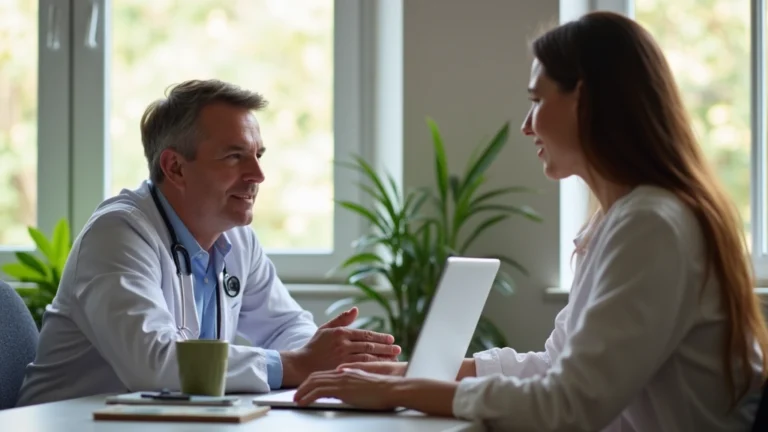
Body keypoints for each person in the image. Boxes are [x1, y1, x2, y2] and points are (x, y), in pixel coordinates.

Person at [292, 11, 768, 431]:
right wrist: (411, 375)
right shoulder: (622, 220)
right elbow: (554, 365)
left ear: (584, 99)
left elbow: (567, 405)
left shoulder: (652, 225)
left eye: (537, 100)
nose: (526, 124)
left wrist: (403, 391)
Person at [15, 79, 400, 407]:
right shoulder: (117, 234)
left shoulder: (236, 238)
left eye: (258, 155)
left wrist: (329, 359)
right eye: (234, 156)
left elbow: (285, 325)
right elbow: (154, 364)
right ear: (175, 167)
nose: (258, 175)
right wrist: (296, 364)